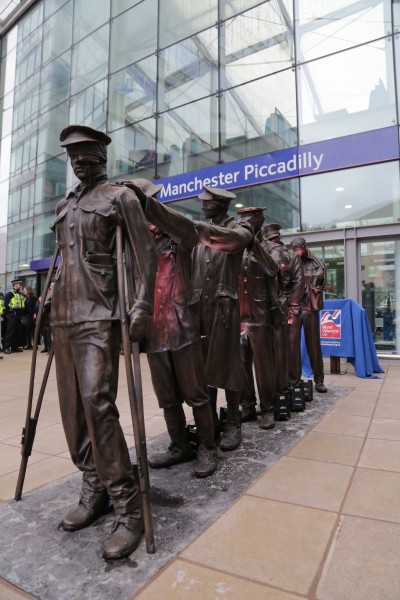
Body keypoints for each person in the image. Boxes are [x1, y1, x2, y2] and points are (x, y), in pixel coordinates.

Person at [50, 125, 157, 561]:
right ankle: (93, 483)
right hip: (63, 318)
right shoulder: (65, 205)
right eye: (72, 156)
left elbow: (144, 251)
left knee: (98, 403)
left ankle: (127, 504)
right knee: (74, 413)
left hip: (100, 315)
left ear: (101, 156)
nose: (78, 161)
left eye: (86, 154)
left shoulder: (119, 198)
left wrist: (143, 304)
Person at [122, 178, 217, 478]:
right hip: (152, 329)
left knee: (196, 393)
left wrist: (147, 207)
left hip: (182, 325)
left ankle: (207, 446)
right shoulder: (134, 241)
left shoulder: (178, 233)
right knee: (167, 397)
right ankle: (179, 445)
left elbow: (189, 231)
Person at [192, 186, 254, 451]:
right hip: (200, 306)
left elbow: (230, 240)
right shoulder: (202, 231)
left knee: (228, 367)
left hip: (225, 307)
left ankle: (233, 422)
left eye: (209, 201)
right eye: (204, 202)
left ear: (221, 203)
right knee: (204, 368)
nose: (204, 205)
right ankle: (210, 424)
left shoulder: (239, 230)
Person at [236, 207, 279, 430]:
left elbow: (273, 270)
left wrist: (254, 245)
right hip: (239, 316)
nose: (244, 225)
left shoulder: (270, 248)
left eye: (248, 222)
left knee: (263, 366)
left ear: (258, 224)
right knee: (241, 365)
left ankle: (269, 408)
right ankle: (248, 406)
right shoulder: (237, 248)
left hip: (260, 315)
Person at [261, 224, 305, 391]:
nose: (274, 242)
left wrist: (292, 308)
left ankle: (294, 382)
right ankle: (277, 384)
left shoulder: (293, 257)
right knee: (273, 349)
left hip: (287, 306)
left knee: (292, 347)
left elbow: (299, 283)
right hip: (268, 307)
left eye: (275, 239)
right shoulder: (264, 257)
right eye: (271, 240)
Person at [290, 237, 327, 393]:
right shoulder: (290, 261)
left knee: (313, 346)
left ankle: (319, 380)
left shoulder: (317, 262)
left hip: (310, 308)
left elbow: (321, 283)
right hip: (293, 308)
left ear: (305, 247)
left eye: (301, 249)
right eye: (296, 250)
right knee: (292, 346)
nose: (298, 252)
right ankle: (294, 381)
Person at [3, 279, 25, 354]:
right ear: (15, 285)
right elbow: (5, 304)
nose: (20, 285)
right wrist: (9, 311)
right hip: (12, 315)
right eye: (19, 284)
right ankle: (6, 347)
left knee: (17, 331)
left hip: (19, 315)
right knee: (10, 331)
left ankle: (14, 347)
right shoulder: (10, 293)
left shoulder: (20, 294)